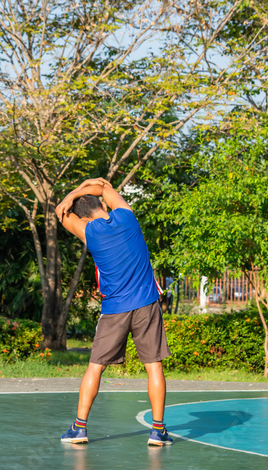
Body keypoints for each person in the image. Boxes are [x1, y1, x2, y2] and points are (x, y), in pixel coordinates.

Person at [55, 178, 172, 447]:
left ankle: (79, 429)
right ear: (101, 204)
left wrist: (69, 196)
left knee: (95, 367)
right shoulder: (127, 218)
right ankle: (157, 431)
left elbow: (60, 214)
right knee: (154, 366)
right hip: (146, 304)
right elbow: (104, 186)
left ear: (82, 215)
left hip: (114, 310)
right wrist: (84, 187)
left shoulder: (88, 233)